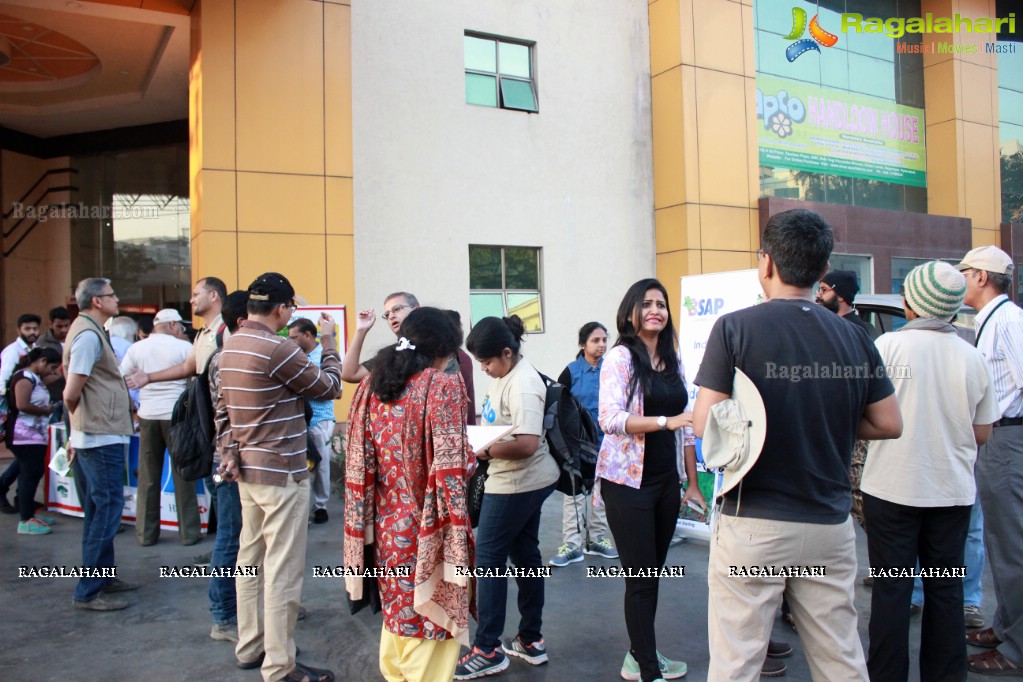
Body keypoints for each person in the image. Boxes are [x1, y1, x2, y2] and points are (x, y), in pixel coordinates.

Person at [693, 208, 902, 682]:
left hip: (754, 523)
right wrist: (835, 419)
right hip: (830, 524)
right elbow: (889, 422)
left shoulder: (735, 328)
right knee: (842, 660)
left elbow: (707, 425)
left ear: (765, 263)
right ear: (823, 270)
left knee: (737, 664)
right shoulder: (855, 336)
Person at [860, 261, 999, 682]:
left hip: (890, 489)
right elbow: (982, 433)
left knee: (892, 591)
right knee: (945, 590)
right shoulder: (971, 356)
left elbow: (863, 415)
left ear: (910, 305)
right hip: (952, 493)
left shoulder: (886, 348)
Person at [215, 273, 341, 682]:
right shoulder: (278, 347)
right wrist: (331, 343)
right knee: (282, 572)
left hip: (248, 472)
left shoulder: (229, 345)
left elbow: (223, 412)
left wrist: (229, 454)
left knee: (249, 562)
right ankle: (280, 665)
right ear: (282, 309)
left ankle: (250, 647)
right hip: (281, 474)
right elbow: (329, 388)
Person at [344, 307, 473, 682]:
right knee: (431, 624)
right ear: (444, 348)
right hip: (426, 532)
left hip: (385, 530)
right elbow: (454, 470)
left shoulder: (372, 386)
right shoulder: (442, 386)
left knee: (398, 616)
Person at [595, 281, 701, 682]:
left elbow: (688, 426)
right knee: (640, 581)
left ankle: (639, 653)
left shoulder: (673, 361)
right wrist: (663, 421)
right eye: (648, 304)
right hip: (627, 485)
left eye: (662, 304)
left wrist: (691, 482)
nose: (656, 310)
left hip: (665, 485)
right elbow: (609, 418)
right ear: (631, 312)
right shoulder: (621, 358)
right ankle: (649, 670)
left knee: (650, 578)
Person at [454, 315, 558, 680]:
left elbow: (528, 445)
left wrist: (484, 451)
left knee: (489, 557)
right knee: (524, 552)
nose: (483, 369)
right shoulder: (506, 375)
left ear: (507, 352)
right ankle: (531, 640)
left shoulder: (524, 383)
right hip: (515, 478)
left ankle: (487, 648)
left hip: (518, 481)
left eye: (486, 362)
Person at [956, 246, 1023, 676]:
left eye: (963, 272)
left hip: (1010, 440)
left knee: (1014, 546)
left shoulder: (1010, 321)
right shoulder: (992, 320)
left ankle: (1016, 649)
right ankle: (1006, 626)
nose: (959, 280)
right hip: (1000, 441)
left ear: (981, 277)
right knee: (1002, 542)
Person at [64, 278, 139, 611]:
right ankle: (89, 590)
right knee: (106, 510)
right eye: (112, 295)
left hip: (96, 433)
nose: (117, 299)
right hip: (98, 435)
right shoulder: (87, 336)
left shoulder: (92, 332)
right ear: (96, 301)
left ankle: (102, 578)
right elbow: (71, 391)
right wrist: (78, 425)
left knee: (100, 509)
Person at [120, 308, 200, 546]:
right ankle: (189, 533)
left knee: (148, 476)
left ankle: (146, 534)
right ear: (174, 325)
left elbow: (121, 378)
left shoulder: (136, 348)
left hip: (148, 415)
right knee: (183, 475)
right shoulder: (184, 347)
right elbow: (193, 379)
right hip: (177, 417)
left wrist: (133, 409)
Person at [548, 322, 617, 567]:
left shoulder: (612, 369)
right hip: (577, 443)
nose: (601, 345)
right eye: (595, 340)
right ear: (582, 344)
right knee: (575, 491)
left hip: (607, 442)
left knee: (600, 491)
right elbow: (558, 403)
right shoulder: (571, 371)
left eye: (604, 340)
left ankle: (597, 539)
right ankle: (572, 544)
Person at [206, 290, 249, 644]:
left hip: (242, 462)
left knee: (250, 540)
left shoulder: (236, 354)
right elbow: (227, 418)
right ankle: (224, 617)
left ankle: (252, 610)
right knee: (231, 538)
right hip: (228, 463)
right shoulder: (226, 359)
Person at [127, 276, 228, 387]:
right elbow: (186, 368)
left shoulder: (227, 329)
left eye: (196, 295)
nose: (191, 300)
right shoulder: (202, 333)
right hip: (208, 402)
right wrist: (148, 377)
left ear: (213, 295)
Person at [5, 347, 62, 534]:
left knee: (32, 474)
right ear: (42, 361)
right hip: (24, 436)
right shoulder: (24, 377)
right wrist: (46, 411)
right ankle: (25, 520)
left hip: (34, 435)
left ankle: (29, 513)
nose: (52, 373)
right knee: (29, 475)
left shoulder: (35, 378)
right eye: (52, 368)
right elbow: (23, 405)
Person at [287, 317, 337, 524]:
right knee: (303, 466)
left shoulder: (322, 356)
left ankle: (321, 506)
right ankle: (305, 509)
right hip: (300, 420)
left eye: (294, 337)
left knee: (322, 464)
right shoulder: (295, 357)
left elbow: (331, 388)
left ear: (307, 335)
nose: (291, 342)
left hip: (320, 418)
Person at [0, 312, 41, 512]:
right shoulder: (13, 352)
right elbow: (3, 382)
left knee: (27, 459)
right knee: (28, 459)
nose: (32, 332)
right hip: (16, 414)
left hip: (30, 419)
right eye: (27, 329)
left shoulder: (35, 350)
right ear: (19, 330)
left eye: (35, 329)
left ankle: (21, 498)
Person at [816, 270, 879, 339]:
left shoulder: (853, 329)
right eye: (819, 289)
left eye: (824, 290)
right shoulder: (832, 323)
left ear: (840, 296)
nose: (818, 295)